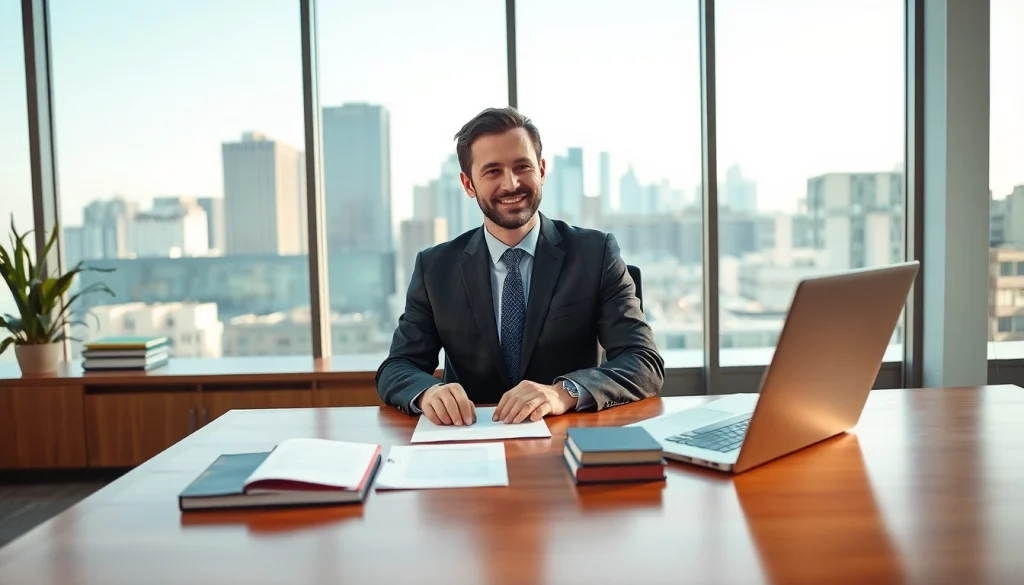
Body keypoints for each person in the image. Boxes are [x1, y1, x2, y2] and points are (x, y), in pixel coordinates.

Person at [375, 107, 664, 426]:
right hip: (469, 438)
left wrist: (562, 392)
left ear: (541, 169)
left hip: (564, 438)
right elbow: (397, 367)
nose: (511, 184)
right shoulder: (435, 267)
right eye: (492, 171)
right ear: (468, 184)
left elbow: (643, 362)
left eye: (522, 166)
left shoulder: (595, 254)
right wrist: (427, 393)